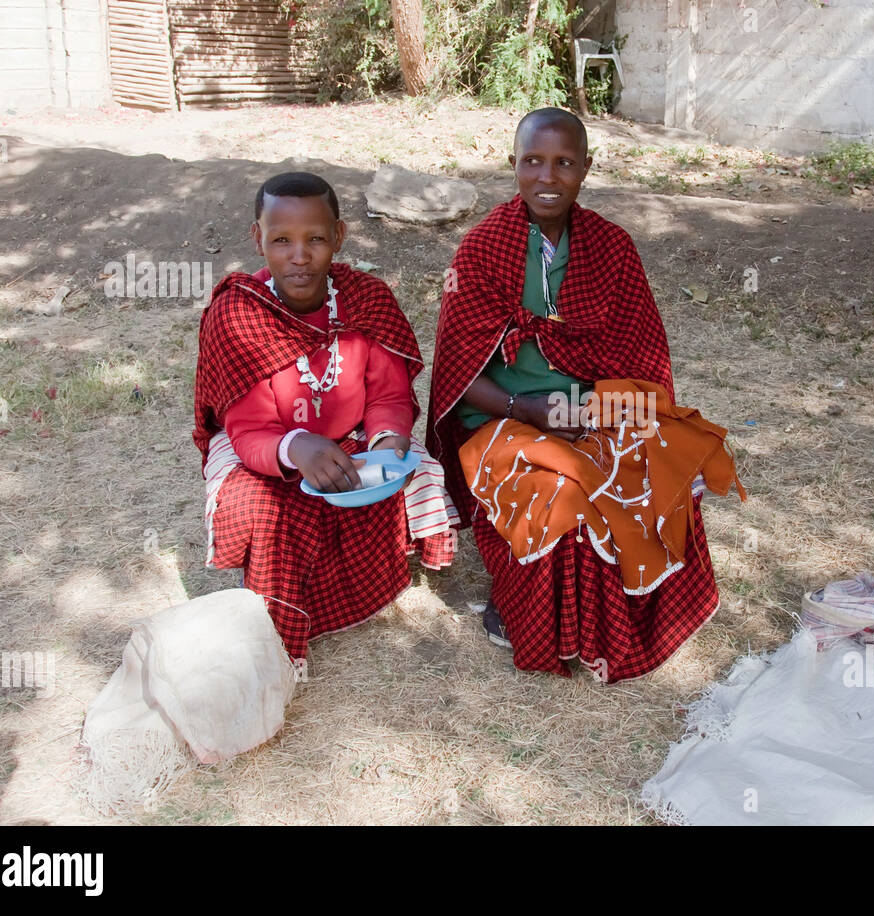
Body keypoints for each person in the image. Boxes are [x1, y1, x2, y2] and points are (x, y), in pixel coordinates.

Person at [426, 109, 742, 683]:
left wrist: (596, 409)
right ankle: (531, 610)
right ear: (514, 165)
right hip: (502, 417)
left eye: (565, 163)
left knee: (657, 459)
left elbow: (641, 353)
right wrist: (530, 409)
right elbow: (456, 374)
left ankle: (643, 615)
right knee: (561, 493)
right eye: (533, 162)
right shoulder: (480, 250)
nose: (548, 177)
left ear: (586, 169)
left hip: (593, 408)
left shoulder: (611, 248)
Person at [193, 171, 456, 661]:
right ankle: (278, 610)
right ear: (257, 239)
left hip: (354, 435)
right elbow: (248, 430)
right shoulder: (237, 313)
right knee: (261, 505)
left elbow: (388, 396)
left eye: (315, 238)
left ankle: (373, 586)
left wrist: (385, 441)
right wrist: (296, 447)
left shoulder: (366, 300)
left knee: (403, 470)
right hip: (267, 445)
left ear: (338, 236)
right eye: (281, 240)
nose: (299, 255)